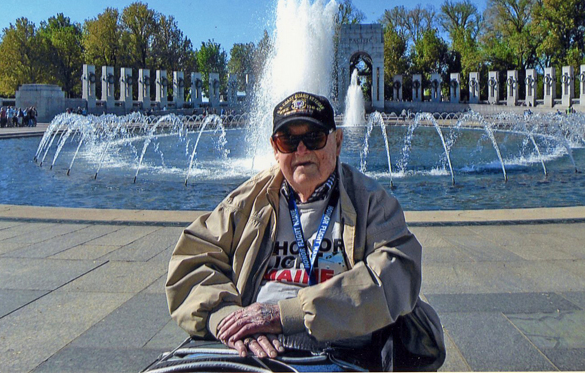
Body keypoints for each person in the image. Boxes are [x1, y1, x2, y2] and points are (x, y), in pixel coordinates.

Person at [166, 92, 445, 371]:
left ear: (337, 142)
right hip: (254, 351)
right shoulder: (249, 201)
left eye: (314, 138)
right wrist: (227, 319)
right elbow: (192, 259)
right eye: (288, 141)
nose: (301, 151)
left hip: (341, 354)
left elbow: (398, 272)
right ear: (275, 150)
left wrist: (284, 314)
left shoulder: (371, 202)